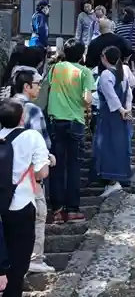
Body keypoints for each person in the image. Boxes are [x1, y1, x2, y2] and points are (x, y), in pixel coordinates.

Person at [0, 99, 49, 297]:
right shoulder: (31, 136)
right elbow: (42, 172)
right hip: (20, 204)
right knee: (19, 263)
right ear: (22, 118)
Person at [12, 70, 56, 274]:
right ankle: (35, 258)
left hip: (9, 175)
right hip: (30, 176)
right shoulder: (32, 110)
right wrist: (48, 158)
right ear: (27, 86)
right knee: (39, 215)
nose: (40, 86)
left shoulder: (6, 106)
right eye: (38, 83)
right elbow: (41, 144)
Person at [48, 38, 95, 223]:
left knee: (57, 166)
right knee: (74, 166)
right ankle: (73, 209)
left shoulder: (55, 69)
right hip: (75, 121)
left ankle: (57, 211)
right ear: (82, 54)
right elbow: (88, 100)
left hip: (56, 120)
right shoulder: (85, 72)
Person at [92, 46, 132, 197]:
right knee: (119, 148)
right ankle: (117, 179)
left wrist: (121, 110)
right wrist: (126, 110)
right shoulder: (123, 73)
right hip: (121, 117)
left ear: (104, 58)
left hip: (109, 116)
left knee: (106, 148)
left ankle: (111, 181)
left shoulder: (106, 74)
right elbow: (128, 94)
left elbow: (110, 95)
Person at [115, 8, 135, 106]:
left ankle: (124, 96)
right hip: (134, 54)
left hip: (122, 55)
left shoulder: (118, 26)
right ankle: (134, 98)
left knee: (123, 75)